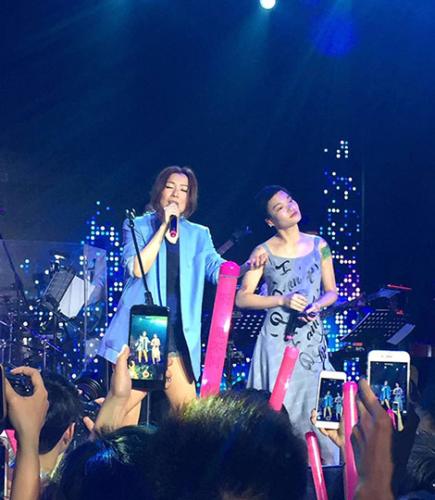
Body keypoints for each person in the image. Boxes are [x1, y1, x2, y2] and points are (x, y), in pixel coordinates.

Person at [98, 166, 227, 409]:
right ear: (159, 191)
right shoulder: (137, 225)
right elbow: (137, 268)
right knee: (123, 413)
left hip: (178, 334)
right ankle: (96, 427)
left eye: (184, 190)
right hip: (144, 332)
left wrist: (245, 268)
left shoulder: (199, 234)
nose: (176, 194)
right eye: (170, 187)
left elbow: (216, 268)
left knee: (189, 415)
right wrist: (163, 227)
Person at [236, 185, 338, 464]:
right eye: (279, 208)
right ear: (270, 221)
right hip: (277, 343)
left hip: (312, 342)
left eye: (290, 200)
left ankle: (326, 476)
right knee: (280, 412)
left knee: (318, 410)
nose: (290, 208)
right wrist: (282, 299)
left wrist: (317, 306)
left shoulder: (319, 245)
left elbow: (332, 291)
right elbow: (242, 298)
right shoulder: (263, 251)